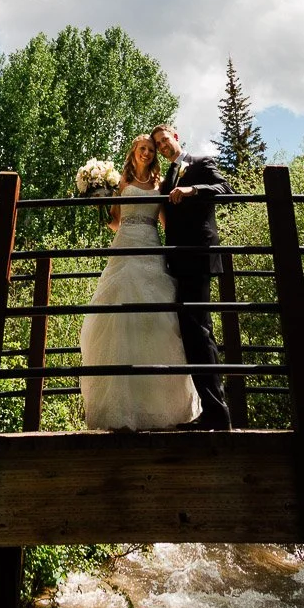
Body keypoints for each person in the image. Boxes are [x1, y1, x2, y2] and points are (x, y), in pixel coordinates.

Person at [80, 134, 201, 431]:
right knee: (119, 315)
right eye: (142, 149)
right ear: (133, 152)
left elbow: (165, 222)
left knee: (156, 319)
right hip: (124, 247)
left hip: (150, 247)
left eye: (150, 150)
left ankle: (161, 407)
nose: (146, 153)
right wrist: (98, 202)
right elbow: (116, 222)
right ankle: (120, 409)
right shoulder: (120, 183)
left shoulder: (161, 186)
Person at [151, 123, 233, 431]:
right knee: (191, 331)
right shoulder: (168, 177)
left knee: (200, 331)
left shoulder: (199, 163)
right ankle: (210, 410)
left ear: (176, 137)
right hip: (178, 261)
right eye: (158, 144)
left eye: (165, 140)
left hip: (198, 256)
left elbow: (226, 190)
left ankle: (218, 413)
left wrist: (193, 190)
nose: (163, 146)